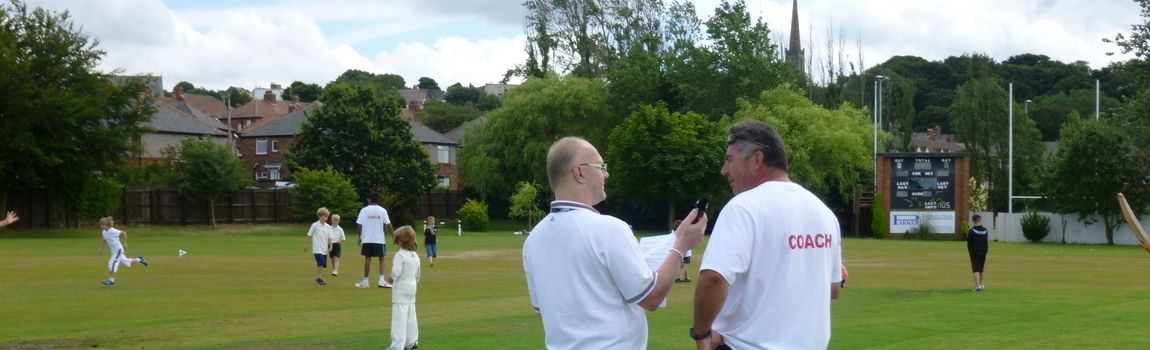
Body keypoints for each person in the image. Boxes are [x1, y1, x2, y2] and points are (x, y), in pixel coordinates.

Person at [522, 136, 707, 350]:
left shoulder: (534, 239)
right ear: (579, 173)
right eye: (600, 167)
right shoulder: (608, 228)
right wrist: (681, 244)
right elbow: (651, 297)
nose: (606, 174)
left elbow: (542, 309)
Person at [692, 120, 842, 350]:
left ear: (756, 159)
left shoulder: (744, 207)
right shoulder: (823, 212)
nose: (724, 170)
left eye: (730, 160)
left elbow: (714, 278)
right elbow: (833, 289)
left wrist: (701, 334)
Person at [388, 226, 422, 350]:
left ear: (401, 241)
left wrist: (391, 277)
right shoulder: (415, 255)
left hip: (401, 290)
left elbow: (396, 273)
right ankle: (412, 343)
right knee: (411, 317)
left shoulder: (400, 255)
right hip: (412, 288)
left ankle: (397, 346)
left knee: (399, 318)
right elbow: (418, 275)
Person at [357, 193, 395, 288]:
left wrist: (359, 236)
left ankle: (366, 281)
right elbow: (388, 224)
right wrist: (393, 235)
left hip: (367, 238)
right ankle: (381, 280)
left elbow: (359, 225)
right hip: (379, 239)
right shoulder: (382, 210)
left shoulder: (364, 210)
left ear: (369, 199)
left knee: (367, 258)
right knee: (382, 259)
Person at [97, 217, 148, 286]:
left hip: (118, 250)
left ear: (108, 225)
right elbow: (105, 240)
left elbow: (123, 233)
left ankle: (111, 281)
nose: (101, 226)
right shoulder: (104, 232)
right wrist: (101, 249)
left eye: (103, 225)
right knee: (126, 263)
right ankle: (140, 259)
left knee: (112, 264)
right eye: (101, 225)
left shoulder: (112, 230)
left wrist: (125, 243)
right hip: (114, 251)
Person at [304, 207, 332, 285]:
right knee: (320, 263)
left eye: (327, 216)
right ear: (320, 216)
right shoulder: (315, 225)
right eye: (324, 216)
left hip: (324, 248)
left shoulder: (328, 227)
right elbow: (309, 235)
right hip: (317, 248)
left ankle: (320, 279)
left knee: (322, 264)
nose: (326, 218)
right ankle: (318, 279)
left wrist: (331, 246)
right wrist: (305, 245)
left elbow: (330, 237)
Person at [967, 214, 989, 292]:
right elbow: (986, 243)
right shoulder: (985, 230)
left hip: (974, 252)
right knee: (981, 269)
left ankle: (978, 286)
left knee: (975, 269)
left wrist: (970, 252)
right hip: (983, 251)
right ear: (980, 220)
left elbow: (969, 243)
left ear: (973, 221)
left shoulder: (971, 231)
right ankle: (980, 284)